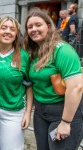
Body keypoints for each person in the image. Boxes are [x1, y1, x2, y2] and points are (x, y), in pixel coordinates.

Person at [24, 10, 83, 150]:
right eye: (30, 27)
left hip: (63, 112)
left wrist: (65, 122)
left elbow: (76, 87)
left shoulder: (62, 50)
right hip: (40, 113)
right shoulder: (35, 53)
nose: (34, 29)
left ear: (48, 27)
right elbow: (31, 84)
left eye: (38, 25)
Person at [0, 16, 33, 150]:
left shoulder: (23, 57)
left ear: (16, 34)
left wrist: (27, 112)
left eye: (12, 29)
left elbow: (29, 86)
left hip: (13, 113)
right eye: (3, 28)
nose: (7, 31)